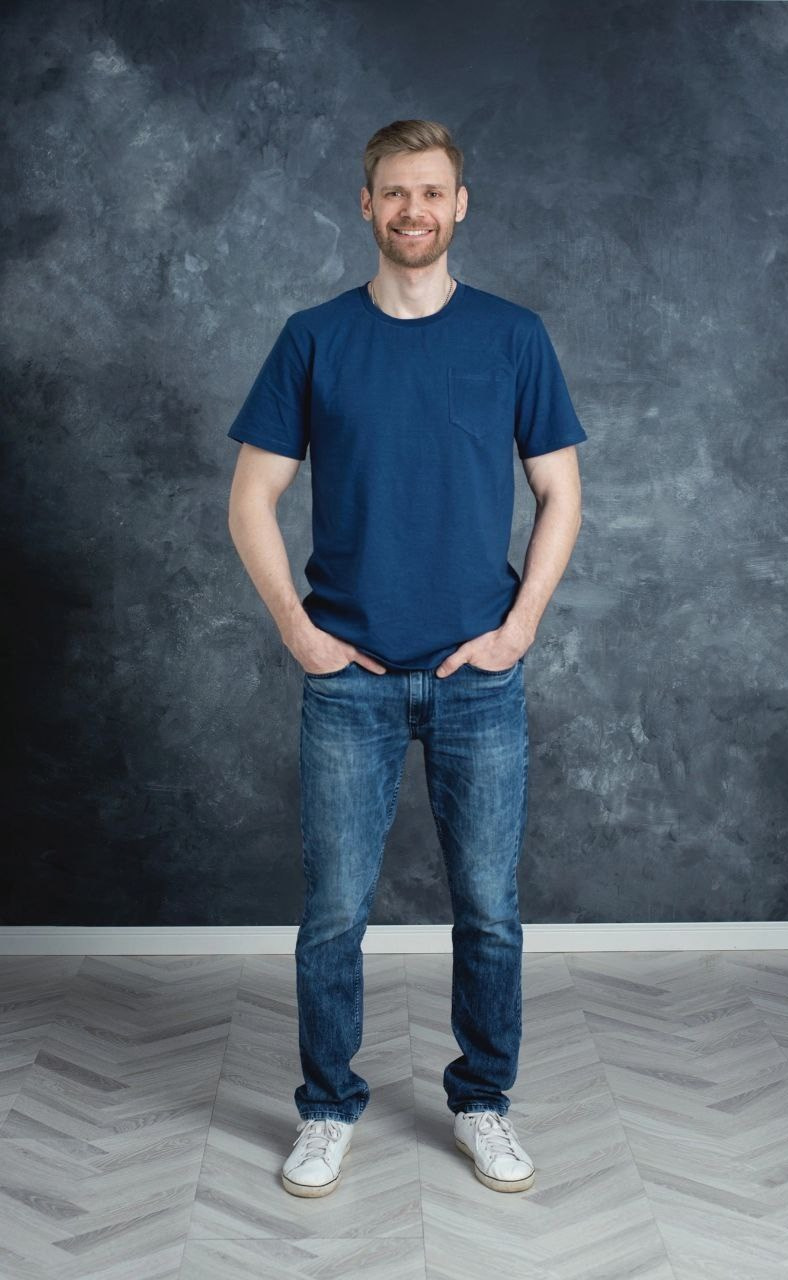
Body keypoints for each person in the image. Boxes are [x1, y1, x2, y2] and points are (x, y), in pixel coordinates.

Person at [226, 118, 587, 1198]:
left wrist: (519, 626)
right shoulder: (314, 338)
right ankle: (326, 1108)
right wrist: (298, 630)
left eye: (432, 192)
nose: (413, 209)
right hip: (350, 680)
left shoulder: (513, 335)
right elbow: (250, 496)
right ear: (366, 205)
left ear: (459, 205)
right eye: (394, 192)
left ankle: (482, 1100)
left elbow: (560, 491)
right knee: (334, 913)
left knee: (489, 911)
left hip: (481, 678)